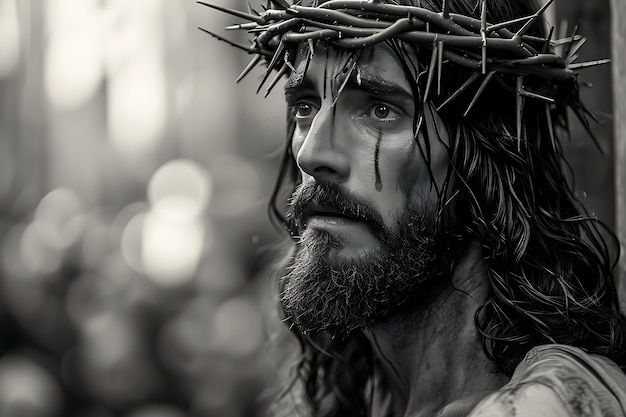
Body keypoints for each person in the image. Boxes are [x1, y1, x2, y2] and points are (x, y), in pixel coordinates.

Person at [202, 0, 626, 415]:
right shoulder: (356, 398)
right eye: (305, 107)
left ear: (486, 154)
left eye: (380, 108)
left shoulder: (545, 404)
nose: (311, 153)